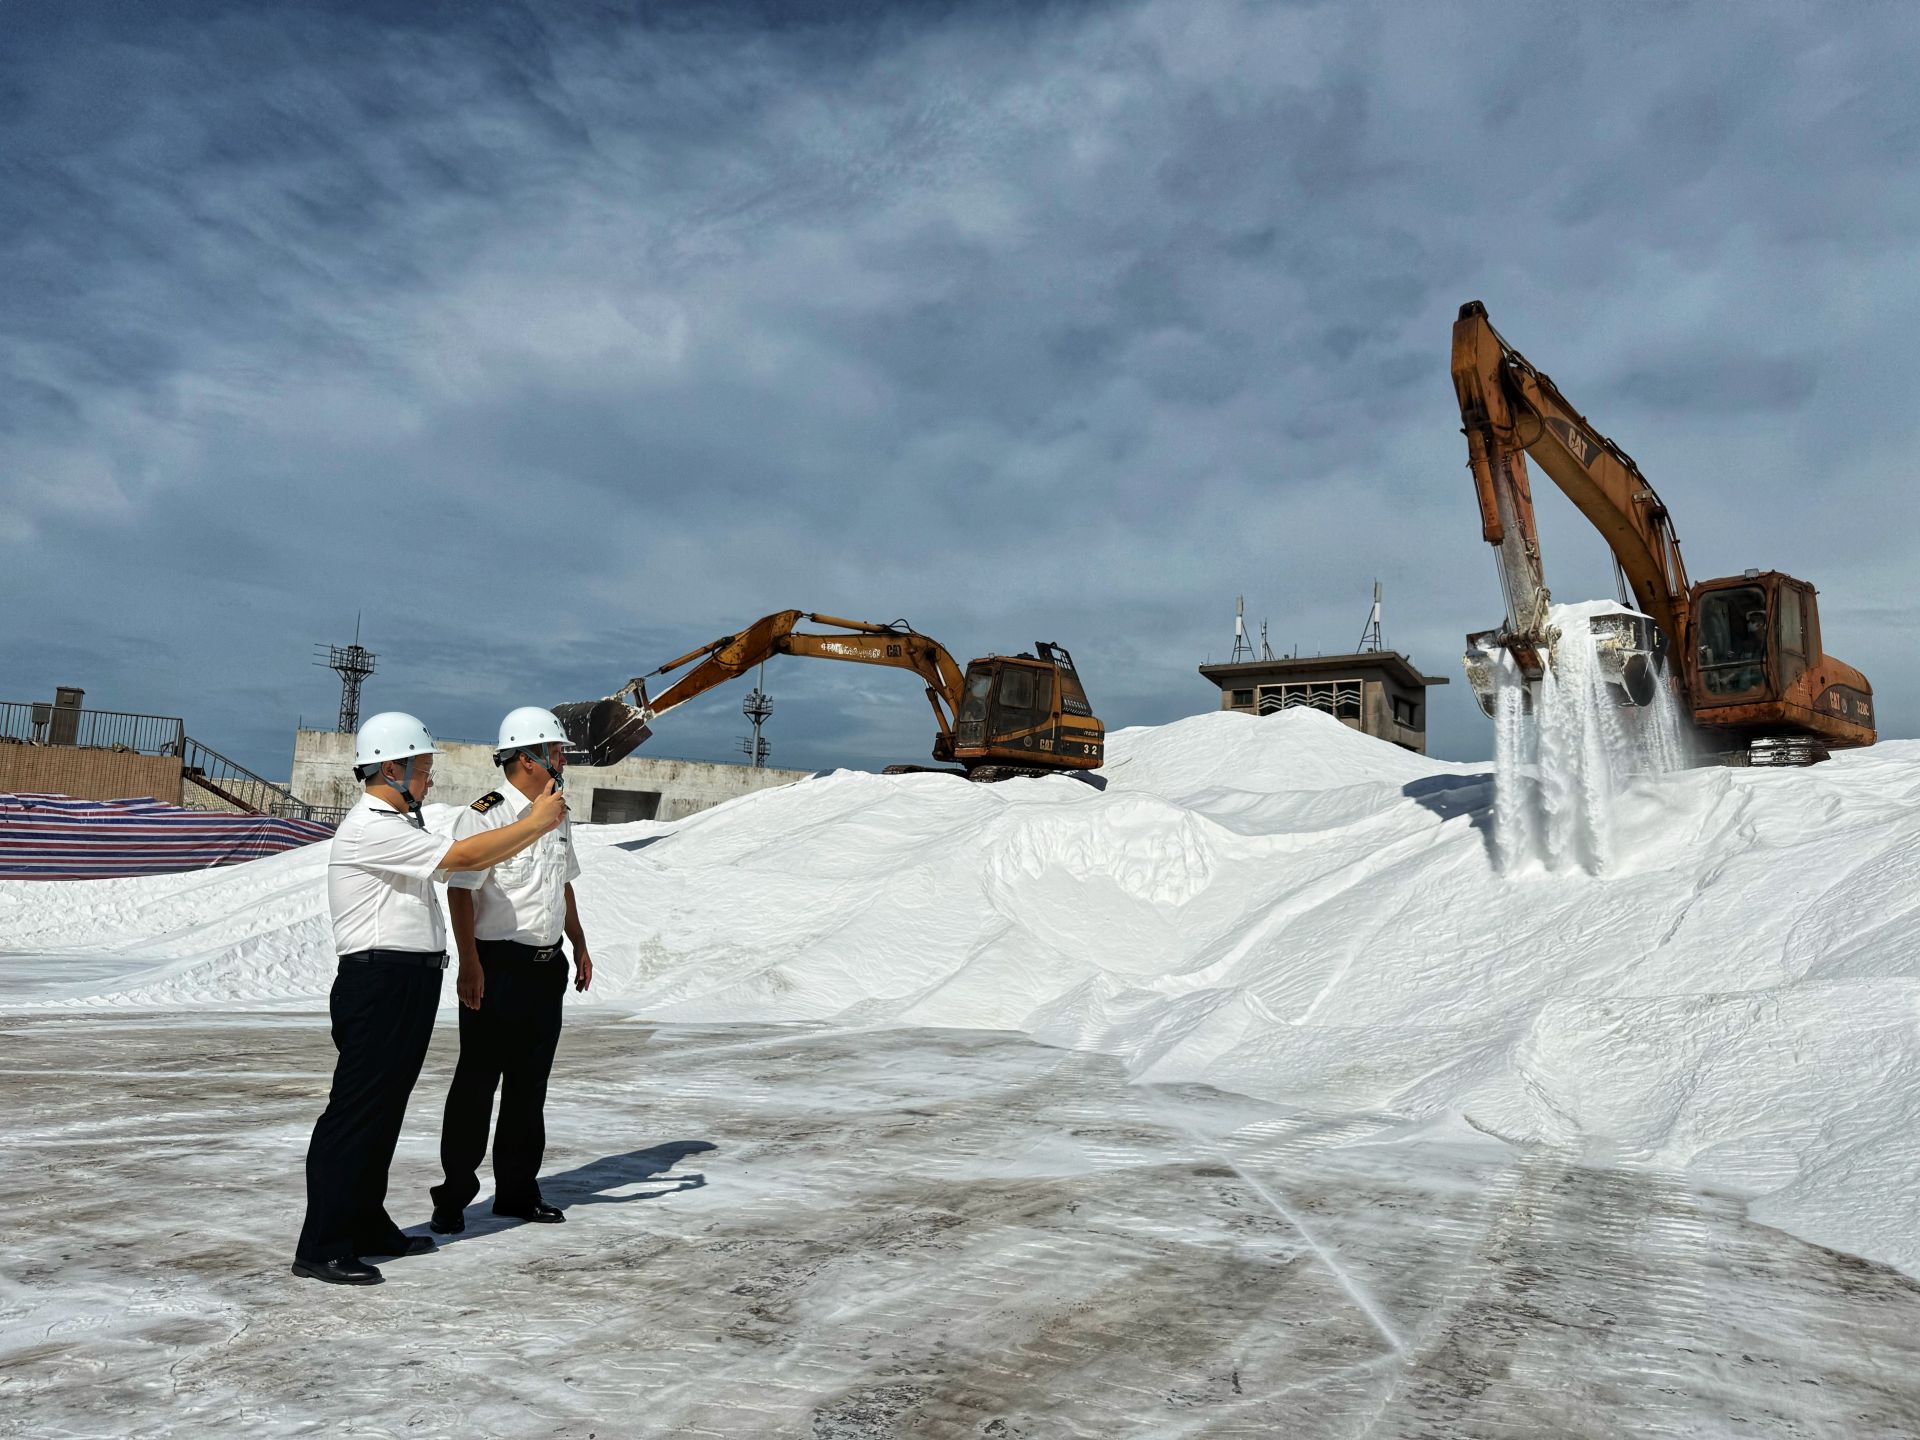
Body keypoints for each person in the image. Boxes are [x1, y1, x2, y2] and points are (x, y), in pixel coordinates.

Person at [291, 711, 566, 1286]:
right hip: (378, 981)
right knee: (355, 1114)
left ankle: (366, 1222)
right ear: (391, 767)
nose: (430, 780)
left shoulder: (400, 825)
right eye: (423, 769)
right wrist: (537, 824)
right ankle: (322, 1243)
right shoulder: (372, 826)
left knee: (383, 1113)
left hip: (408, 980)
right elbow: (461, 860)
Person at [429, 706, 593, 1234]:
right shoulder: (487, 813)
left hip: (546, 969)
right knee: (477, 1084)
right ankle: (453, 1195)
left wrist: (580, 946)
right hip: (495, 967)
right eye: (557, 751)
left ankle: (518, 1193)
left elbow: (560, 884)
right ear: (528, 758)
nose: (563, 759)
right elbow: (461, 890)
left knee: (530, 1086)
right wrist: (470, 964)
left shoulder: (557, 811)